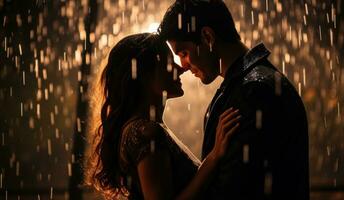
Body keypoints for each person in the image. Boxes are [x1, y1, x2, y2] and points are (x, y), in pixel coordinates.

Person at [158, 0, 309, 199]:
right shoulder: (253, 84)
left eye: (184, 53)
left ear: (207, 37)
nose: (184, 66)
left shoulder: (253, 92)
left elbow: (234, 189)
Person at [87, 33, 241, 199]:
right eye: (169, 63)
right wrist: (214, 158)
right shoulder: (145, 133)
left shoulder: (144, 130)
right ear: (144, 75)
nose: (181, 69)